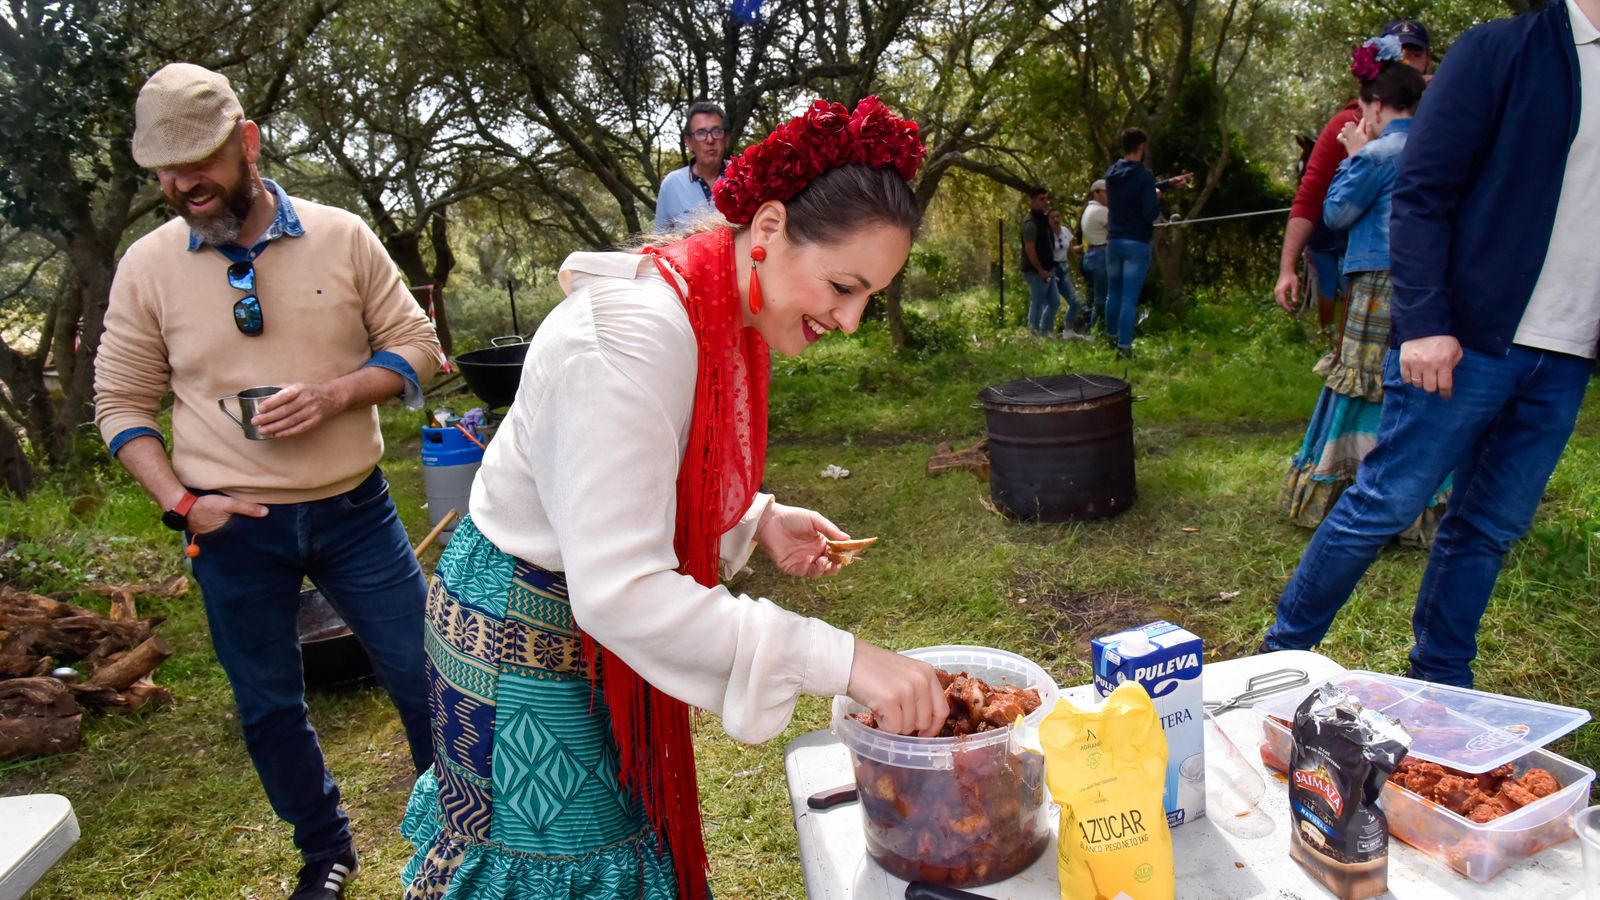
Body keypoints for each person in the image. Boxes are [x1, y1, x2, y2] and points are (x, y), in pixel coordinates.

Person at [400, 97, 950, 900]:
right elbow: (621, 589)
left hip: (570, 622)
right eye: (842, 285)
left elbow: (647, 474)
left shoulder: (714, 313)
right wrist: (845, 660)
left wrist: (755, 518)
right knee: (567, 870)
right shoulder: (629, 340)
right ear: (766, 229)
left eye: (870, 296)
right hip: (521, 635)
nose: (853, 319)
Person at [94, 63, 441, 899]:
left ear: (245, 143)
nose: (185, 185)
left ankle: (460, 830)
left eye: (199, 162)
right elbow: (119, 401)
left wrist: (335, 393)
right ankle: (325, 854)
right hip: (232, 530)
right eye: (166, 172)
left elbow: (421, 349)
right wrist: (183, 505)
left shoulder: (341, 235)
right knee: (269, 707)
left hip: (356, 513)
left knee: (425, 672)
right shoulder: (147, 265)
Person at [1261, 0, 1599, 688]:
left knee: (1486, 529)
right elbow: (1421, 192)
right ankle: (1274, 663)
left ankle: (1442, 688)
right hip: (1467, 341)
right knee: (1381, 503)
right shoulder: (1500, 51)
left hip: (1569, 351)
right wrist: (1425, 323)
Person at [1279, 38, 1446, 544]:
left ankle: (1355, 490)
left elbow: (1336, 213)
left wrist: (1355, 155)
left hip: (1377, 282)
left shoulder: (1378, 153)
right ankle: (1420, 502)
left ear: (1374, 105)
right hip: (1429, 283)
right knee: (1414, 387)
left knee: (1364, 381)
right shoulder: (1440, 146)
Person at [1273, 19, 1434, 330]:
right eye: (1398, 53)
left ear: (1427, 59)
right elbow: (1310, 198)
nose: (1405, 61)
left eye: (1414, 54)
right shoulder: (1345, 124)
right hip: (1363, 267)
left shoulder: (1451, 121)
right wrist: (1287, 267)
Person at [1103, 129, 1191, 357]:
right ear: (1141, 147)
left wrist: (1167, 184)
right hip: (1136, 243)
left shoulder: (1112, 173)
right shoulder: (1144, 175)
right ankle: (1124, 348)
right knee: (1129, 298)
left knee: (1113, 293)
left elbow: (1134, 189)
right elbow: (1149, 210)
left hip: (1113, 241)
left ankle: (1111, 338)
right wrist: (1158, 195)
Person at [655, 101, 730, 231]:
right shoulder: (672, 184)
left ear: (726, 139)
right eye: (701, 133)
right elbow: (659, 243)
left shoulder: (743, 177)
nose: (710, 140)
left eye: (716, 131)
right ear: (689, 142)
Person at [1020, 186, 1057, 336]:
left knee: (1054, 302)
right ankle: (1034, 337)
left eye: (1046, 199)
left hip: (1049, 269)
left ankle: (1044, 332)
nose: (1045, 202)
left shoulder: (1043, 219)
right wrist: (1040, 269)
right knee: (1037, 303)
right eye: (1041, 199)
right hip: (1035, 271)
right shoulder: (1030, 223)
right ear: (1032, 201)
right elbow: (1030, 249)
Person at [1079, 179, 1110, 333]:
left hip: (1089, 256)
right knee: (1101, 299)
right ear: (1097, 193)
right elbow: (1117, 228)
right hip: (1100, 255)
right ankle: (1096, 331)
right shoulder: (1101, 211)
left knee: (1094, 298)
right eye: (1107, 192)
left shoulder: (1087, 210)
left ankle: (1092, 328)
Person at [1048, 207, 1084, 337]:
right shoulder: (1046, 234)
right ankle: (1048, 331)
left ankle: (1068, 330)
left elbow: (1071, 249)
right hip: (1051, 269)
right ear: (1048, 220)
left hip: (1063, 269)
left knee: (1075, 300)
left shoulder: (1064, 231)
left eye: (1057, 216)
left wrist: (1085, 246)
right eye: (1052, 217)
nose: (1056, 220)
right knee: (1052, 302)